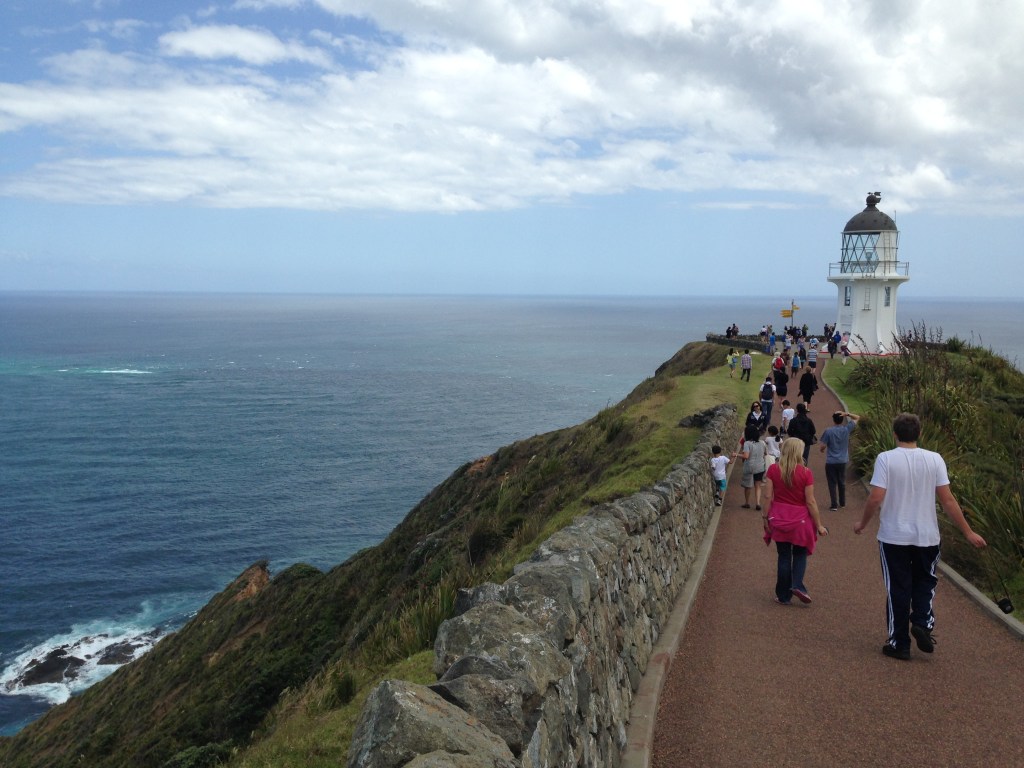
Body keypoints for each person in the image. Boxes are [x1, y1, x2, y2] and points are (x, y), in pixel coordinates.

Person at [854, 413, 987, 660]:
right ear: (919, 434)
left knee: (898, 587)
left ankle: (899, 643)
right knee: (926, 581)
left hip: (894, 535)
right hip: (927, 535)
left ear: (895, 434)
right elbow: (947, 499)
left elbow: (876, 496)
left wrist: (862, 523)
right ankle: (922, 621)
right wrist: (968, 532)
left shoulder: (886, 459)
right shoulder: (935, 459)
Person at [762, 437, 828, 604]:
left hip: (779, 518)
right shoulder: (806, 473)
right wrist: (819, 524)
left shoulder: (773, 470)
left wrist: (765, 518)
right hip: (800, 521)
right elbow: (810, 501)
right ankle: (797, 584)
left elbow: (768, 496)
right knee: (800, 554)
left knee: (783, 556)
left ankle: (783, 595)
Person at [819, 410, 860, 511]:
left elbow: (823, 446)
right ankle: (842, 502)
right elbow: (858, 417)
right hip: (842, 460)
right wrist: (847, 414)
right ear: (842, 419)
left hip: (831, 461)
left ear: (833, 419)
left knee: (832, 482)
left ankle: (834, 504)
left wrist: (823, 450)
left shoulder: (828, 431)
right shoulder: (846, 429)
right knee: (841, 481)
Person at [733, 424, 767, 510]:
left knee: (748, 486)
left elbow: (746, 456)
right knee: (758, 485)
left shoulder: (747, 443)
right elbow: (765, 453)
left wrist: (736, 454)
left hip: (750, 467)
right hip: (760, 466)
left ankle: (747, 503)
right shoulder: (762, 442)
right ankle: (758, 503)